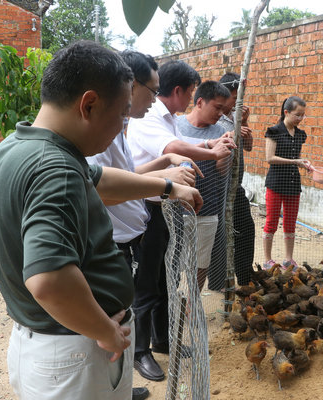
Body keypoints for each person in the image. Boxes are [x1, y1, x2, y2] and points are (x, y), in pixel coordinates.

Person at [0, 40, 201, 400]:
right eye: (121, 115)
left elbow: (100, 179)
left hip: (45, 343)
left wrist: (167, 187)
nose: (121, 127)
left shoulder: (19, 145)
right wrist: (106, 331)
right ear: (88, 105)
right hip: (74, 351)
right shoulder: (56, 170)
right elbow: (49, 281)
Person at [85, 51, 199, 386]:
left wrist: (165, 162)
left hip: (137, 227)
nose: (154, 99)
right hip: (116, 238)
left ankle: (157, 344)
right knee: (135, 297)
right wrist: (167, 184)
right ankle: (139, 353)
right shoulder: (101, 132)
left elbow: (128, 173)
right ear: (130, 85)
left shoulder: (120, 127)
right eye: (152, 90)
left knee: (158, 283)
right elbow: (103, 188)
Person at [126, 61, 235, 360]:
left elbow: (181, 141)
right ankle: (140, 352)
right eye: (189, 92)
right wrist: (212, 152)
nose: (191, 98)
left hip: (163, 207)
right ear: (178, 91)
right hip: (144, 208)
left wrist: (210, 142)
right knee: (147, 283)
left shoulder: (167, 117)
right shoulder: (148, 117)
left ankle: (162, 342)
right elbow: (173, 148)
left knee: (164, 281)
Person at [177, 80, 233, 291]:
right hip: (175, 208)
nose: (220, 114)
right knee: (173, 260)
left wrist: (226, 149)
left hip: (207, 206)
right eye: (217, 107)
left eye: (224, 109)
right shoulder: (176, 126)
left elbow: (222, 172)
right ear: (200, 102)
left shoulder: (220, 131)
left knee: (201, 262)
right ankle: (172, 300)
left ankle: (193, 302)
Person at [213, 72, 255, 287]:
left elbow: (249, 147)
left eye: (241, 97)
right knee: (219, 235)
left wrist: (244, 122)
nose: (238, 102)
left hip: (236, 185)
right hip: (217, 188)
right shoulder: (215, 118)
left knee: (246, 229)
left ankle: (245, 279)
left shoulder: (237, 117)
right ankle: (218, 282)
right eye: (234, 97)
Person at [262, 96, 311, 270]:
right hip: (275, 183)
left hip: (293, 183)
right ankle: (267, 260)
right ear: (286, 112)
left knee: (290, 223)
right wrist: (295, 162)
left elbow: (297, 157)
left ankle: (288, 259)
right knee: (271, 222)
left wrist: (304, 164)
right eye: (298, 115)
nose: (301, 118)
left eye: (303, 115)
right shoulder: (274, 131)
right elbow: (270, 158)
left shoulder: (300, 134)